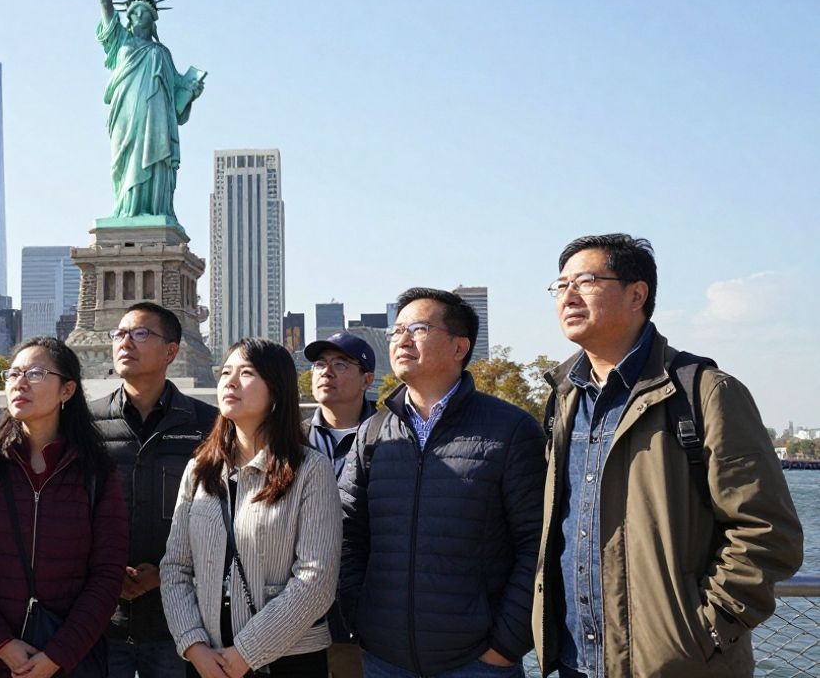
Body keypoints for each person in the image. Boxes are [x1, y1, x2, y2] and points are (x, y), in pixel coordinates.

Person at [533, 234, 803, 678]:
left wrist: (704, 633)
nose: (568, 296)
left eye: (585, 281)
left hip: (676, 664)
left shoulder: (706, 392)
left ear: (637, 293)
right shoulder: (564, 399)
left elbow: (769, 533)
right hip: (574, 662)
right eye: (560, 286)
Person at [338, 287, 544, 677]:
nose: (401, 339)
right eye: (395, 330)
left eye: (417, 328)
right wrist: (359, 617)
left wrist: (506, 644)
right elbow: (349, 533)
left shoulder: (511, 429)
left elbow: (537, 545)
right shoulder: (374, 432)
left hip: (477, 663)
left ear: (459, 346)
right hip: (383, 658)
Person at [0, 336, 128, 677]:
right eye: (13, 374)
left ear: (67, 391)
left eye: (36, 373)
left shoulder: (97, 471)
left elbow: (107, 575)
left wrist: (57, 654)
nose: (20, 383)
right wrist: (2, 644)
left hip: (70, 662)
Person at [161, 338, 341, 677]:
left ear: (276, 389)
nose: (230, 382)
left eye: (246, 373)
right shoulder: (200, 469)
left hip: (288, 660)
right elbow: (175, 568)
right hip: (207, 660)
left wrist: (247, 653)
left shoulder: (310, 470)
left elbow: (316, 580)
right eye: (225, 372)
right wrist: (193, 645)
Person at [90, 302, 217, 677]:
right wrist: (108, 574)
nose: (125, 342)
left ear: (171, 351)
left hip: (179, 623)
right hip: (101, 620)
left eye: (140, 333)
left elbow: (220, 520)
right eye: (120, 334)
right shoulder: (85, 423)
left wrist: (165, 573)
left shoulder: (207, 425)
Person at [91, 0, 205, 220]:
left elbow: (177, 96)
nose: (143, 15)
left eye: (149, 13)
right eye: (139, 11)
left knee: (156, 162)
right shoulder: (121, 42)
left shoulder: (162, 52)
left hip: (157, 119)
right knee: (126, 161)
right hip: (127, 116)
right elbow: (106, 5)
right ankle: (126, 210)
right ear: (129, 17)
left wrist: (191, 91)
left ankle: (154, 210)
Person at [302, 333, 375, 677]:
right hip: (294, 617)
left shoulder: (392, 438)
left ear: (368, 379)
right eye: (319, 364)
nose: (326, 372)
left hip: (367, 617)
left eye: (340, 364)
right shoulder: (288, 441)